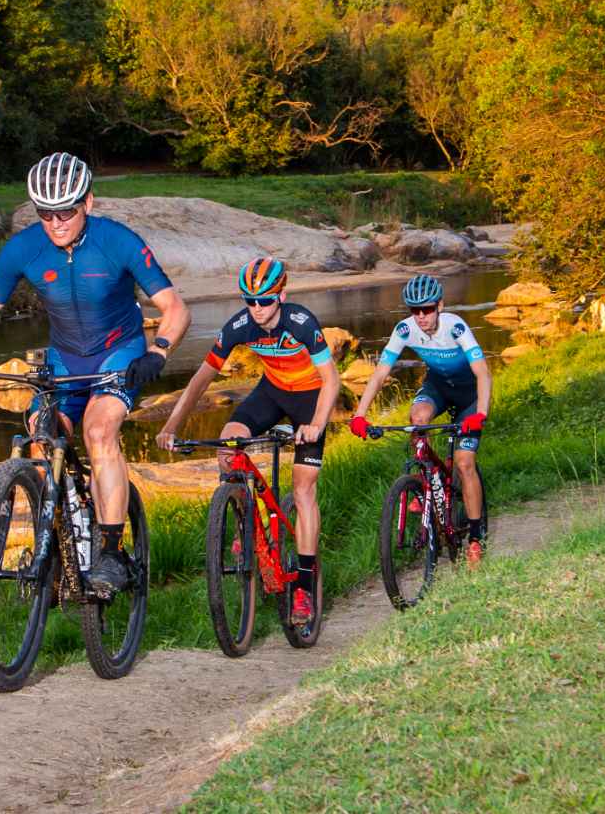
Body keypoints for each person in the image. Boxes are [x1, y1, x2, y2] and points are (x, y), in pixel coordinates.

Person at [0, 152, 190, 596]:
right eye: (45, 213)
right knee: (41, 434)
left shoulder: (118, 241)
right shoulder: (23, 249)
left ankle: (111, 552)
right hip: (66, 359)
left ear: (87, 202)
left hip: (118, 354)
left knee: (99, 431)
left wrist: (158, 352)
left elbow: (175, 309)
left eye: (66, 212)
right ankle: (54, 548)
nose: (55, 223)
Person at [155, 257, 340, 627]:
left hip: (310, 397)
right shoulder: (240, 326)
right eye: (250, 300)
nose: (257, 308)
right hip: (271, 392)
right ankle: (247, 526)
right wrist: (171, 425)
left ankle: (304, 589)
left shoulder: (301, 322)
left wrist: (317, 425)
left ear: (280, 296)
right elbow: (201, 379)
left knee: (303, 489)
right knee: (229, 446)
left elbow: (331, 379)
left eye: (265, 300)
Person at [349, 274, 491, 568]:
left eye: (427, 309)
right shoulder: (405, 329)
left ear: (440, 305)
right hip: (438, 388)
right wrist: (360, 415)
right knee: (418, 417)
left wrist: (480, 414)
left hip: (469, 396)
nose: (421, 316)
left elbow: (482, 372)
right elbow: (380, 374)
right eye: (415, 310)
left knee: (465, 463)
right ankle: (426, 482)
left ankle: (476, 538)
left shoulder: (456, 327)